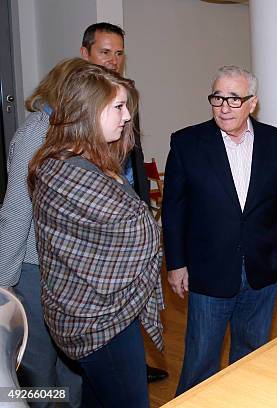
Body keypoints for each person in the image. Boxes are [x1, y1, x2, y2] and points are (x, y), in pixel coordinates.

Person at [28, 62, 163, 407]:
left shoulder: (64, 162)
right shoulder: (68, 172)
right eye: (118, 107)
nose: (127, 117)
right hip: (100, 324)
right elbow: (137, 232)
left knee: (97, 398)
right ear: (88, 112)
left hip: (88, 316)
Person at [162, 65, 277, 395]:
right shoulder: (187, 143)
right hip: (207, 272)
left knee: (252, 355)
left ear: (253, 103)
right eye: (218, 97)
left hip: (262, 270)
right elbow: (174, 208)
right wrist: (176, 263)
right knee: (200, 361)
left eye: (234, 99)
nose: (224, 106)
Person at [80, 21, 168, 383]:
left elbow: (132, 155)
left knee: (131, 302)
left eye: (118, 54)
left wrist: (142, 206)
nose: (113, 60)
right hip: (98, 234)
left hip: (127, 215)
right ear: (85, 54)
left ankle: (132, 362)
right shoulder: (76, 107)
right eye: (105, 52)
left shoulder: (125, 94)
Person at [0, 58, 88, 408]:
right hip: (36, 272)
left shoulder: (76, 130)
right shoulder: (35, 132)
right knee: (39, 369)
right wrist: (4, 283)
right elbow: (17, 212)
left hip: (70, 270)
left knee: (72, 365)